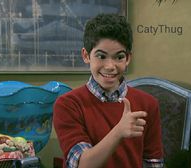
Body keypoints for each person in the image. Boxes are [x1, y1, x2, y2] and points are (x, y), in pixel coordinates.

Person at [53, 13, 164, 168]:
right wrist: (119, 131)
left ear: (128, 59)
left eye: (119, 57)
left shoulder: (148, 104)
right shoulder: (68, 104)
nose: (110, 66)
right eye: (101, 56)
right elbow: (81, 164)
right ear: (86, 56)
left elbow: (153, 163)